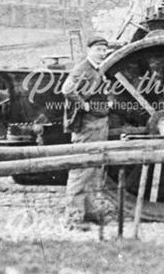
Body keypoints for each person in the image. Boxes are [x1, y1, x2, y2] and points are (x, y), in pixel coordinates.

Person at [61, 35, 112, 230]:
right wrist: (85, 106)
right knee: (82, 170)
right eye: (98, 49)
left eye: (104, 49)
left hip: (99, 124)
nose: (102, 53)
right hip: (88, 126)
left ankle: (89, 211)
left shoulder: (97, 70)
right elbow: (67, 90)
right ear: (89, 50)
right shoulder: (83, 69)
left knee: (95, 170)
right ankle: (73, 219)